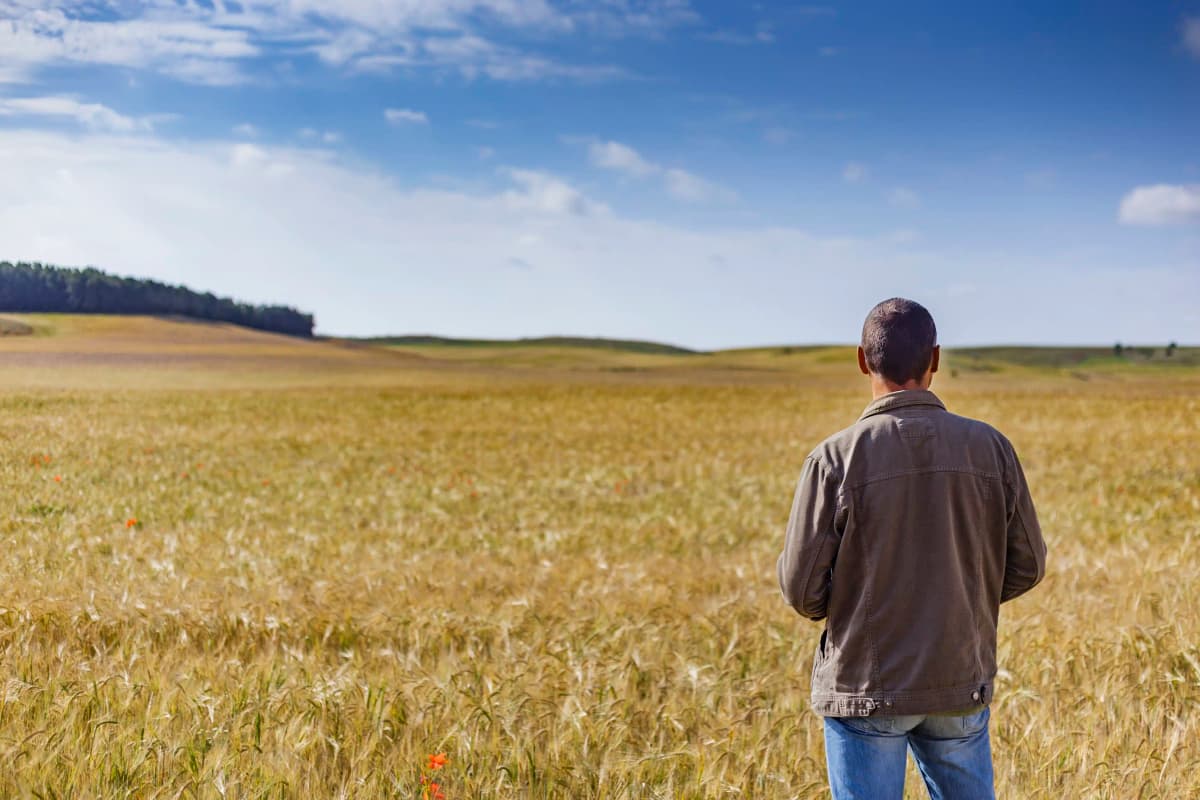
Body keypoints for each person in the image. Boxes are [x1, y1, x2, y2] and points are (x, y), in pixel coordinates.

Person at [777, 298, 1047, 799]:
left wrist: (859, 610)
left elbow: (801, 589)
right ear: (936, 359)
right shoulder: (991, 447)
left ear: (863, 359)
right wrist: (961, 601)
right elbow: (1028, 563)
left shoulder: (834, 458)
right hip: (958, 677)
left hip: (865, 685)